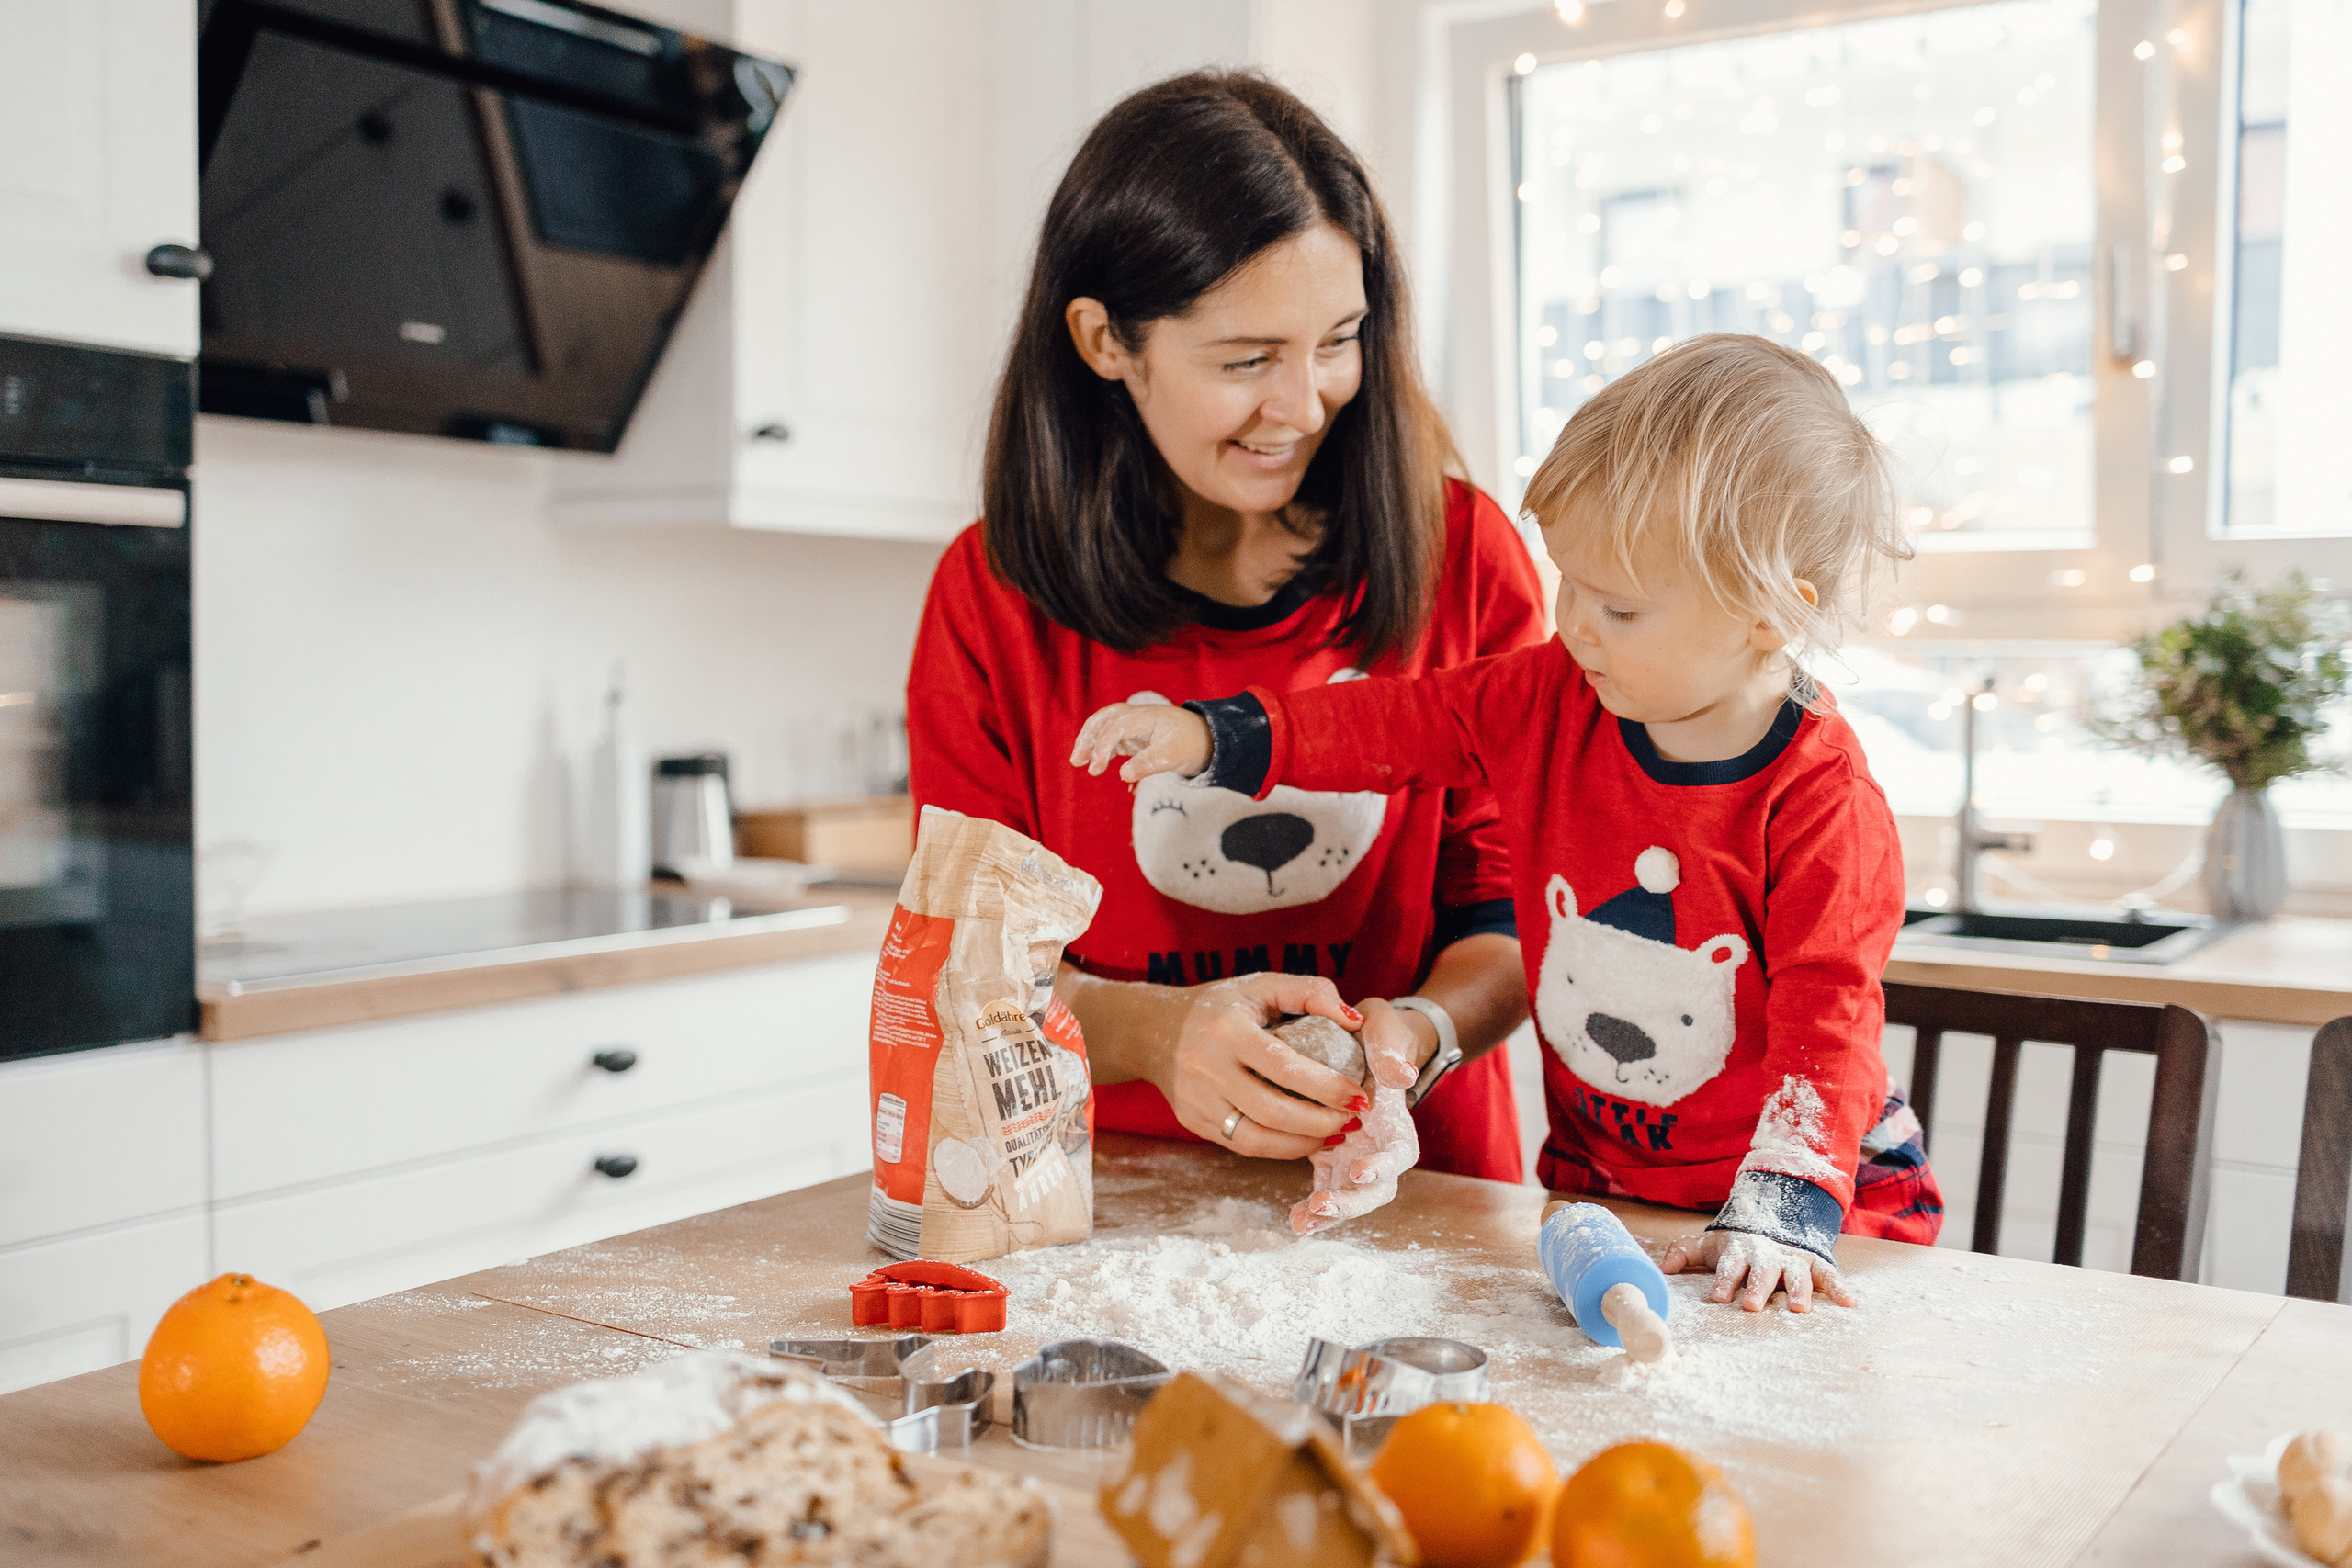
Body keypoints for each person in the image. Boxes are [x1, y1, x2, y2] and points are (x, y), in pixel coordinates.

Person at [1071, 333, 1948, 1307]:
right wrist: (1217, 737)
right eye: (1566, 579)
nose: (1571, 622)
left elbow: (1829, 1020)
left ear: (1769, 616)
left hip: (1812, 1217)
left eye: (1617, 608)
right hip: (1609, 1191)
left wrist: (1785, 1204)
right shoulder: (1552, 694)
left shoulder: (1822, 802)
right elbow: (1395, 719)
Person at [906, 70, 1552, 1226]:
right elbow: (974, 961)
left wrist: (1417, 1038)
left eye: (1339, 341)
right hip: (1120, 1207)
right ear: (1108, 341)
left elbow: (1503, 920)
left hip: (1427, 1203)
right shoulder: (989, 595)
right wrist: (1159, 1037)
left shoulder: (1465, 557)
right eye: (1247, 359)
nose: (1304, 404)